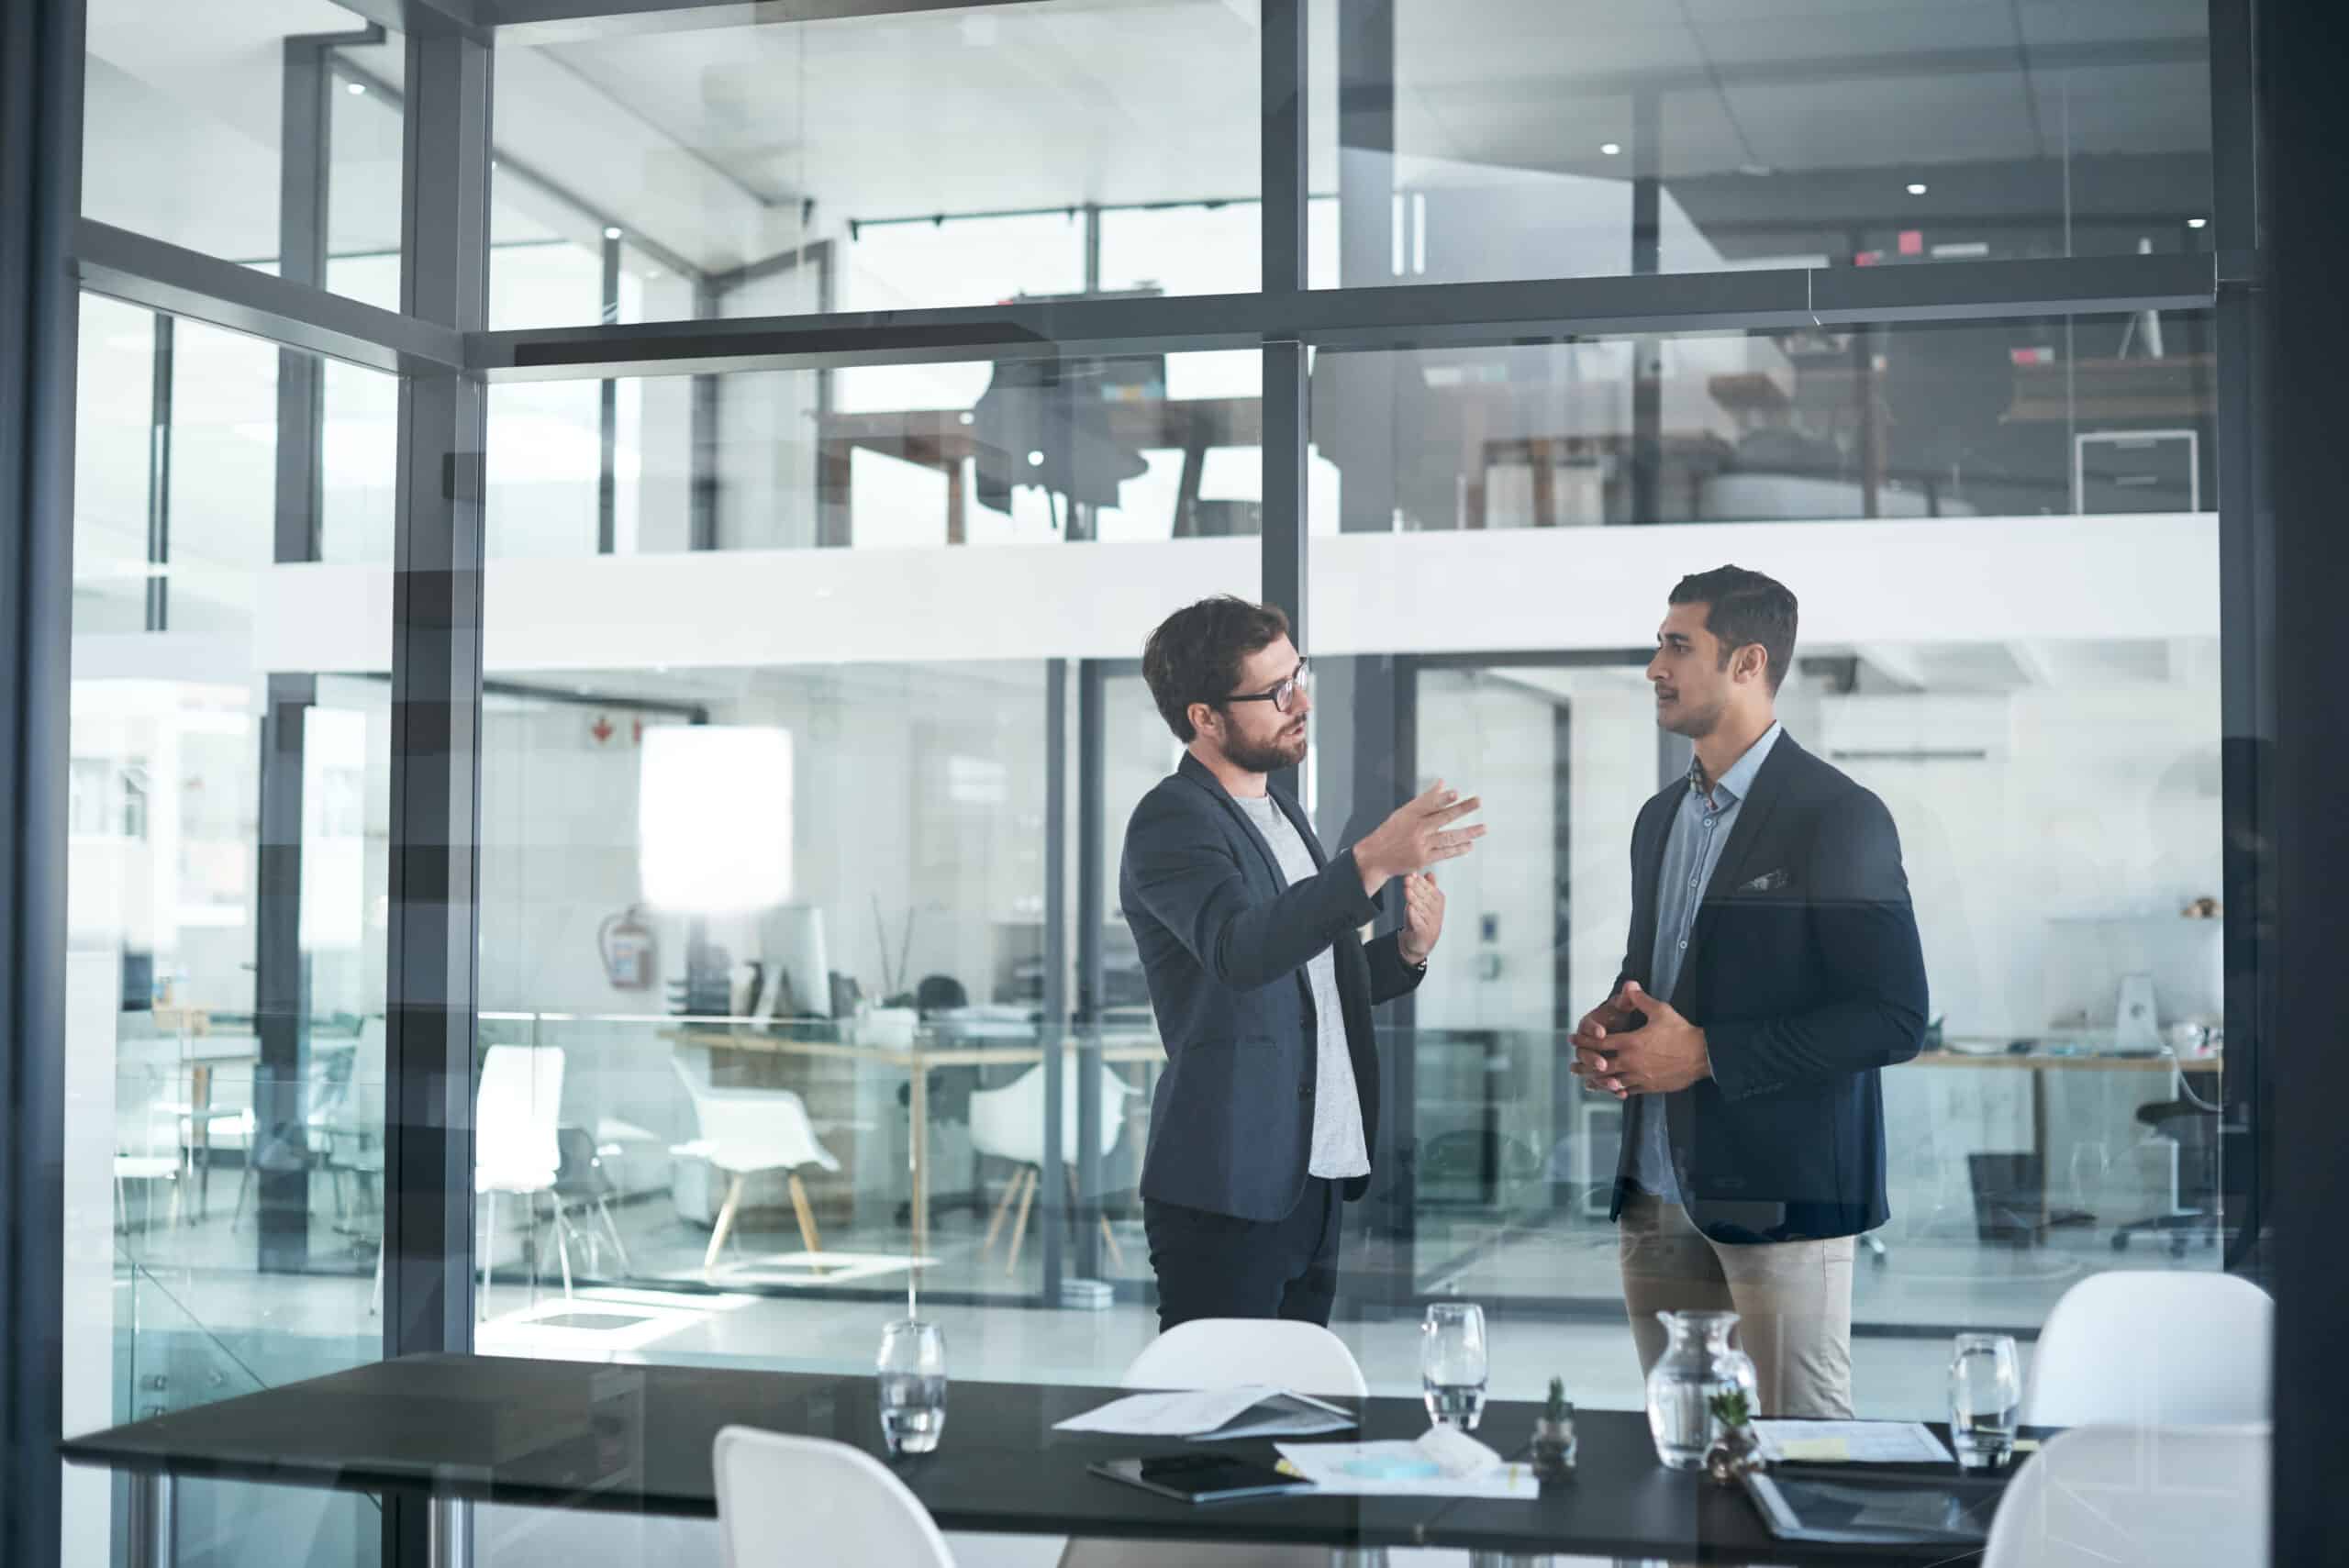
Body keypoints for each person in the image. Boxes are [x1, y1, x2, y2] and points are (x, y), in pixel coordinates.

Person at [1572, 566, 1926, 1418]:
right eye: (1660, 643)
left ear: (1748, 662)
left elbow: (1894, 1015)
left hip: (1785, 1200)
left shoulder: (1838, 814)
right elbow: (1656, 975)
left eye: (1677, 645)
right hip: (1657, 1192)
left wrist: (1703, 1053)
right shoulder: (1660, 818)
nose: (1654, 666)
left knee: (1799, 1451)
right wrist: (1614, 1027)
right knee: (1684, 1454)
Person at [1120, 595, 1485, 1329]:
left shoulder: (1283, 813)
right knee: (1216, 1430)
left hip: (1311, 1180)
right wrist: (1372, 861)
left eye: (1299, 675)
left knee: (1298, 1425)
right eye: (1275, 690)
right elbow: (1240, 950)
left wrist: (1407, 953)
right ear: (1204, 717)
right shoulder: (1172, 821)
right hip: (1227, 1187)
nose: (1302, 701)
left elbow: (1311, 982)